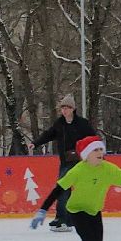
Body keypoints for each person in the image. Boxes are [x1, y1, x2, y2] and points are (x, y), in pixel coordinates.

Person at [29, 95, 97, 231]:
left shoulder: (82, 124)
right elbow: (48, 135)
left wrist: (96, 156)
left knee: (69, 189)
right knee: (63, 188)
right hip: (66, 162)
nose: (64, 110)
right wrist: (35, 143)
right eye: (63, 108)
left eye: (67, 108)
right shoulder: (59, 124)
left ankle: (67, 219)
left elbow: (93, 139)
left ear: (73, 109)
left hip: (80, 162)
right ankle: (62, 217)